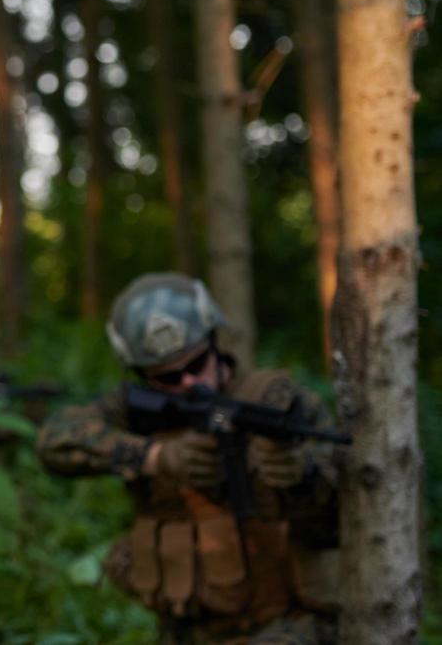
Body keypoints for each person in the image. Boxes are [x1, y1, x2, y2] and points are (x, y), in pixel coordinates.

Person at [35, 273, 341, 645]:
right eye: (167, 377)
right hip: (189, 627)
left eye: (196, 365)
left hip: (291, 627)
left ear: (214, 342)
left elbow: (343, 511)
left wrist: (302, 474)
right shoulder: (135, 409)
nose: (188, 384)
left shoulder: (276, 401)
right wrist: (154, 456)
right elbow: (55, 440)